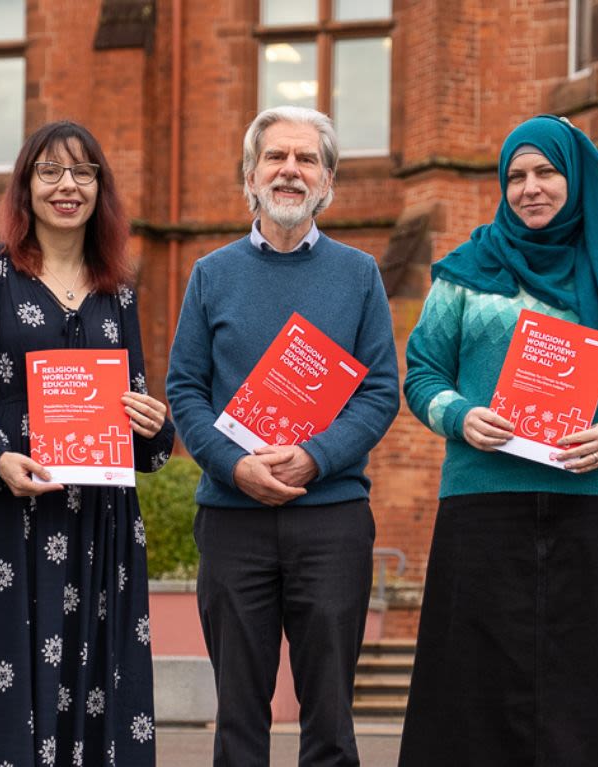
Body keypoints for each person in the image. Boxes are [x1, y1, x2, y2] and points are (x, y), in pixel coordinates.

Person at [398, 115, 598, 766]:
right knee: (474, 686)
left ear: (575, 177)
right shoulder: (464, 273)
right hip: (483, 502)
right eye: (516, 175)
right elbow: (422, 372)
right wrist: (460, 415)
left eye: (546, 172)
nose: (530, 188)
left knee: (595, 682)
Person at [165, 105, 399, 767]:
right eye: (275, 156)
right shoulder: (211, 273)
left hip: (332, 518)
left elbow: (382, 390)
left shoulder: (359, 275)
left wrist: (315, 457)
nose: (290, 170)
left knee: (330, 713)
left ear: (327, 183)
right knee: (239, 715)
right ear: (250, 175)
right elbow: (184, 388)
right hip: (233, 518)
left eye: (307, 159)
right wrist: (236, 468)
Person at [0, 120, 175, 767]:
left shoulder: (117, 289)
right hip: (12, 516)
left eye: (83, 172)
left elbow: (140, 418)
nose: (67, 185)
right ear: (26, 184)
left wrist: (155, 424)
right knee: (12, 688)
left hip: (102, 524)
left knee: (104, 681)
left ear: (101, 188)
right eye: (50, 171)